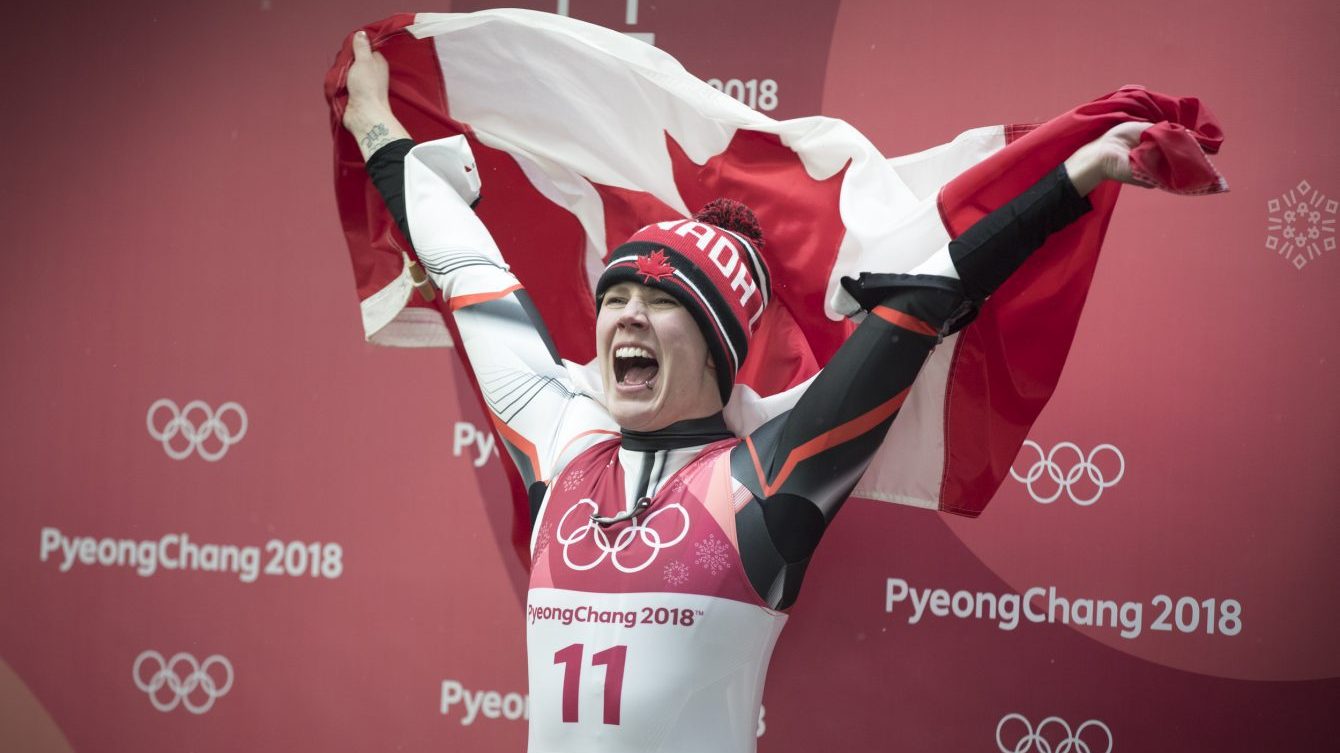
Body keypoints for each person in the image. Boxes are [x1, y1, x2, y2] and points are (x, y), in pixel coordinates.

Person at [340, 29, 1154, 753]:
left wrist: (1082, 174)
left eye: (663, 303)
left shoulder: (763, 483)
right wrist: (374, 119)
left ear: (716, 351)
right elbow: (460, 263)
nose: (626, 315)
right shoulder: (561, 445)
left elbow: (920, 307)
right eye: (616, 297)